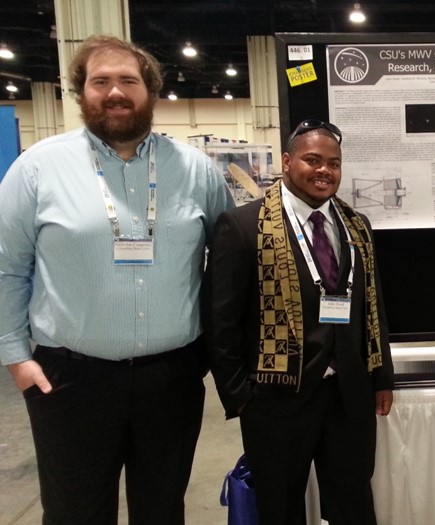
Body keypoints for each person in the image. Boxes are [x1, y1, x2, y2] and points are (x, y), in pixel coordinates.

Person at [0, 35, 234, 524]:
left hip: (171, 378)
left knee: (163, 508)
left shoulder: (197, 171)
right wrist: (17, 358)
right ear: (81, 92)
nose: (114, 92)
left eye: (128, 81)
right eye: (100, 81)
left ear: (149, 90)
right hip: (69, 380)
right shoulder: (37, 169)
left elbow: (230, 265)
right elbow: (7, 266)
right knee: (74, 512)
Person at [203, 119, 394, 525]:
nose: (324, 170)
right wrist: (241, 395)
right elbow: (221, 321)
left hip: (347, 395)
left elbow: (371, 307)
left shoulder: (357, 226)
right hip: (276, 399)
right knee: (280, 506)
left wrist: (380, 377)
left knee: (353, 502)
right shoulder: (242, 227)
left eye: (334, 163)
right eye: (312, 160)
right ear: (287, 162)